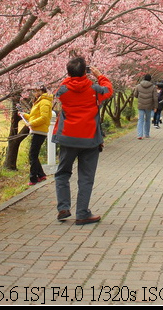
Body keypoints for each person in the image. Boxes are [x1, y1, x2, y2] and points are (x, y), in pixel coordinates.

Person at [52, 57, 113, 225]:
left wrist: (71, 78)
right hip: (89, 139)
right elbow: (108, 90)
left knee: (63, 173)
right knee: (86, 177)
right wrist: (99, 75)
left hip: (68, 138)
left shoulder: (63, 90)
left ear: (68, 73)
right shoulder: (94, 89)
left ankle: (63, 207)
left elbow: (60, 90)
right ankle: (82, 213)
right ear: (85, 71)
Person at [19, 85, 54, 186]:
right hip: (37, 130)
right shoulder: (39, 101)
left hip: (40, 131)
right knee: (33, 154)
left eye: (35, 91)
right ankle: (41, 174)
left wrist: (31, 123)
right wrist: (24, 115)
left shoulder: (44, 102)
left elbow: (44, 118)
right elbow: (34, 116)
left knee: (32, 155)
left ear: (40, 91)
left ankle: (33, 178)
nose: (34, 93)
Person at [132, 74, 158, 139]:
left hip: (141, 105)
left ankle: (139, 135)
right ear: (150, 79)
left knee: (140, 119)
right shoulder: (153, 87)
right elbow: (155, 98)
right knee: (147, 120)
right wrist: (155, 107)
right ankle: (147, 134)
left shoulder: (138, 86)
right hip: (149, 106)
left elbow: (135, 95)